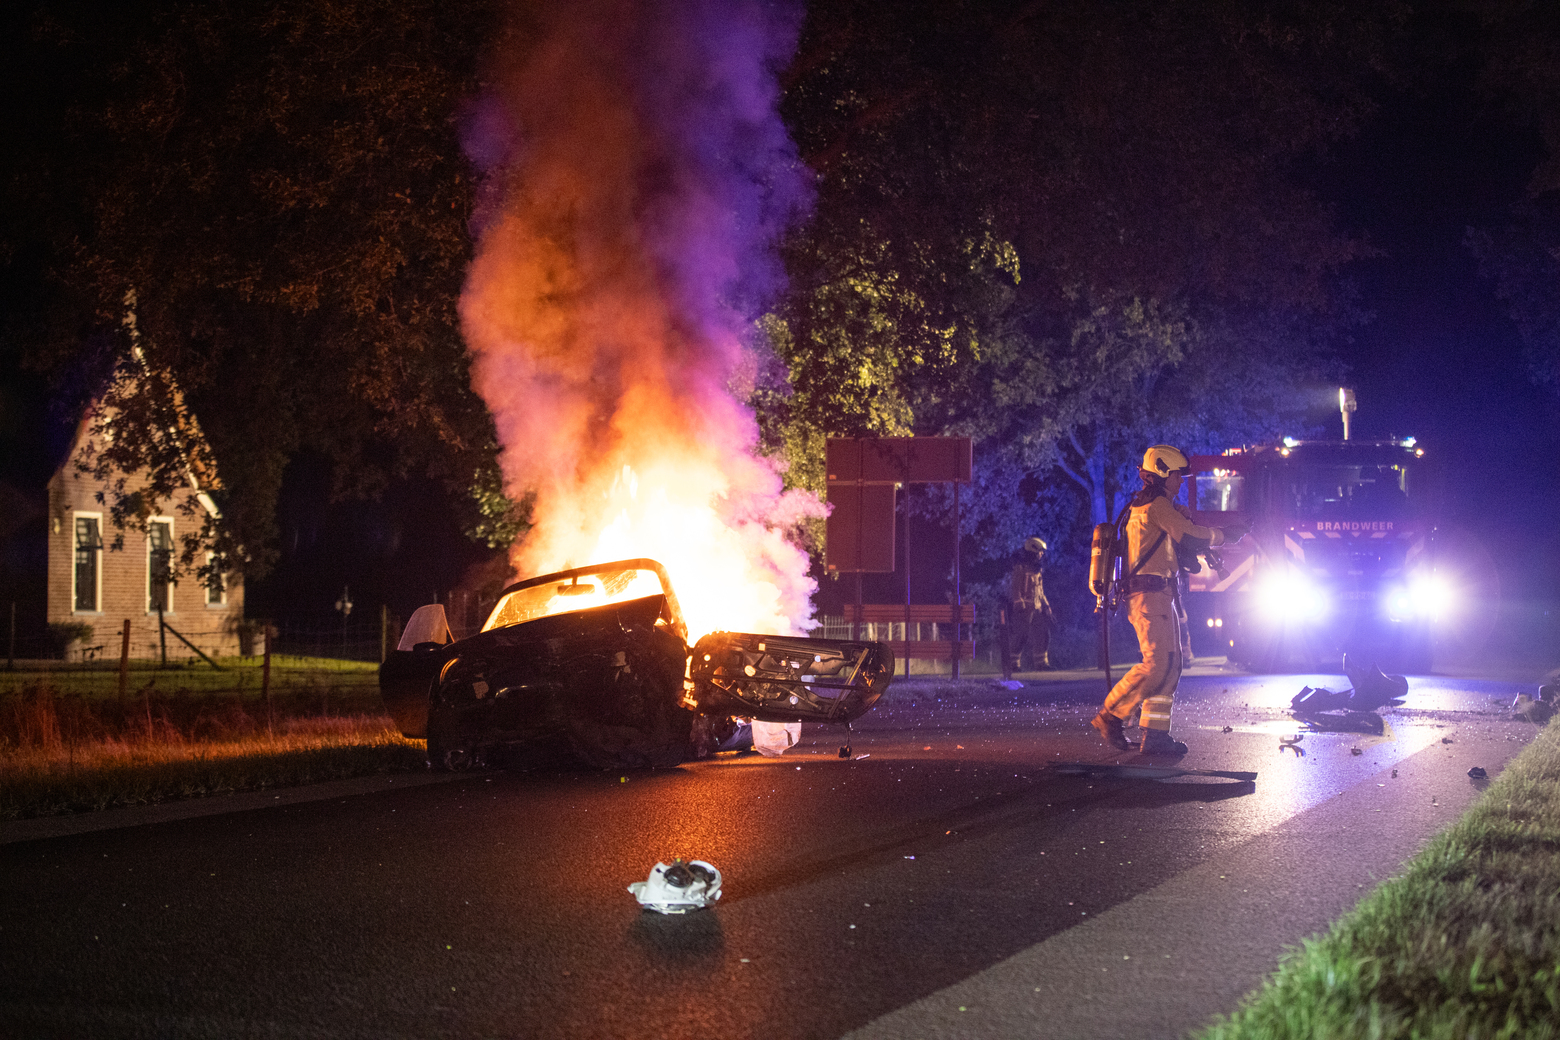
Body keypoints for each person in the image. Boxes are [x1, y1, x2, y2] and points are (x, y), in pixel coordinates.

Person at [1091, 445, 1247, 756]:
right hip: (1148, 596)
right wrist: (1226, 535)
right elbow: (1189, 536)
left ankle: (1156, 735)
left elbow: (1178, 542)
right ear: (1164, 473)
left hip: (1160, 593)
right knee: (1158, 663)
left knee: (1172, 665)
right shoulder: (1157, 506)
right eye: (1178, 475)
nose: (1181, 481)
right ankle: (1111, 714)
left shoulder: (1157, 506)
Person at [1006, 536, 1053, 672]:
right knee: (1021, 636)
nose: (1041, 554)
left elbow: (1040, 591)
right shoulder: (1021, 568)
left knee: (1043, 634)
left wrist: (1047, 605)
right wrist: (1019, 603)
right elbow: (1015, 588)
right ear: (1033, 551)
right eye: (1040, 552)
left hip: (1037, 608)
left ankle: (1041, 664)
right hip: (1024, 610)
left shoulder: (1037, 569)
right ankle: (1013, 664)